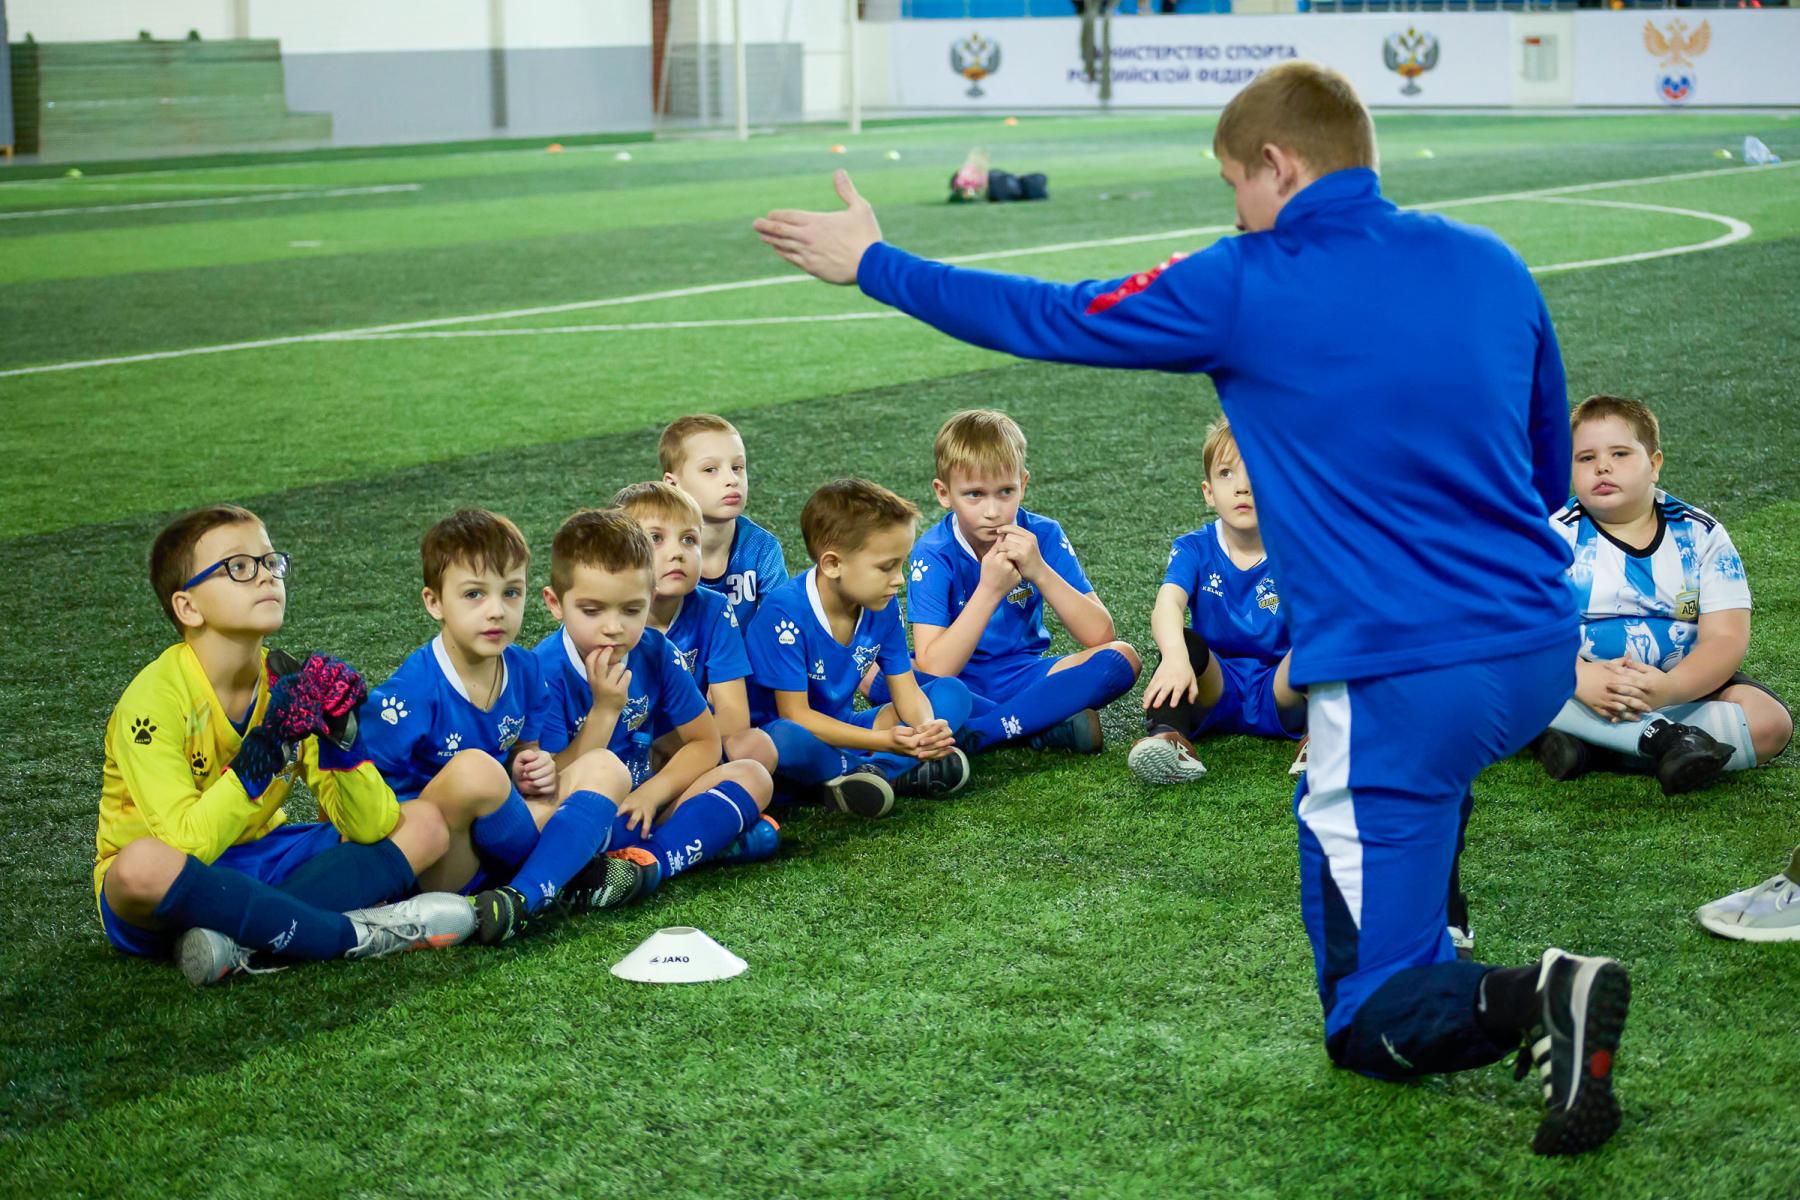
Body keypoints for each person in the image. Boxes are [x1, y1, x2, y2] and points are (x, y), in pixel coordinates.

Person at [754, 61, 1628, 1155]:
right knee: (1371, 793)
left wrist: (874, 264)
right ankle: (1433, 926)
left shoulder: (1250, 279)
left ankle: (1533, 994)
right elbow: (1549, 477)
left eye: (1234, 185)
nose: (1234, 211)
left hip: (1408, 675)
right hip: (1542, 644)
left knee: (1364, 1013)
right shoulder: (1493, 263)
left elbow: (1053, 316)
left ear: (1277, 163)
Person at [97, 504, 474, 987]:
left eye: (271, 561)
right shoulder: (151, 701)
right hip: (174, 886)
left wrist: (342, 738)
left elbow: (369, 825)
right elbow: (183, 844)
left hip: (260, 860)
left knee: (422, 824)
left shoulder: (287, 682)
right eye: (239, 567)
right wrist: (266, 750)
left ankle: (238, 941)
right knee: (138, 866)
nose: (265, 577)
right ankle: (351, 935)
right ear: (187, 607)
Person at [357, 509, 644, 946]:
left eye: (511, 592)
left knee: (607, 767)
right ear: (434, 602)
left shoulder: (525, 669)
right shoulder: (410, 693)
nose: (496, 611)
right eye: (474, 595)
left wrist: (535, 768)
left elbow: (528, 768)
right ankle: (564, 871)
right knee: (477, 771)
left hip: (498, 842)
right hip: (436, 860)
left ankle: (521, 899)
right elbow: (347, 792)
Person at [1536, 394, 1792, 794]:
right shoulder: (1555, 536)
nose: (1602, 466)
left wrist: (1669, 689)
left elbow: (1725, 637)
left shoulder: (1701, 535)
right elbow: (1529, 631)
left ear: (1654, 464)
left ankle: (1598, 748)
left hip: (1677, 684)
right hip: (1579, 683)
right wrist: (1578, 677)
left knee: (1769, 723)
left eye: (1620, 453)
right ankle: (1666, 743)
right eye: (1585, 458)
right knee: (1510, 680)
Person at [533, 508, 777, 895]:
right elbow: (549, 785)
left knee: (753, 775)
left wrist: (653, 792)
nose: (613, 628)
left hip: (645, 805)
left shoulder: (656, 650)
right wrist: (605, 710)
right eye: (592, 611)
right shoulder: (543, 672)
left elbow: (705, 742)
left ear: (649, 598)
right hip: (582, 817)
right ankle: (689, 845)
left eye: (631, 610)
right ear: (555, 603)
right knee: (540, 825)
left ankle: (646, 865)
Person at [873, 408, 1139, 756]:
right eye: (974, 495)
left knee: (1122, 657)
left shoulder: (1042, 534)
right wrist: (990, 589)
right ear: (943, 493)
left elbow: (1100, 635)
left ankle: (980, 733)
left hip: (1026, 674)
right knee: (873, 670)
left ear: (1023, 484)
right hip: (956, 682)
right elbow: (936, 666)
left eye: (1005, 492)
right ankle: (1041, 725)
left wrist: (1040, 570)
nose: (992, 511)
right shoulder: (934, 551)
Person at [748, 479, 973, 819]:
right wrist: (886, 743)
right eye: (886, 566)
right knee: (784, 737)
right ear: (833, 564)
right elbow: (795, 715)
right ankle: (890, 770)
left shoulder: (881, 605)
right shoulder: (785, 611)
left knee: (952, 693)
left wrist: (927, 730)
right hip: (796, 745)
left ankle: (866, 777)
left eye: (902, 563)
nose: (899, 579)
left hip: (845, 730)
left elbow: (906, 690)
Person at [1130, 417, 1303, 786]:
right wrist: (1176, 657)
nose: (1242, 487)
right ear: (1208, 492)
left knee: (1324, 639)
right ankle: (1168, 739)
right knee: (1185, 643)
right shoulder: (1194, 547)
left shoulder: (1298, 550)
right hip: (1215, 684)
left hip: (1282, 687)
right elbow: (1168, 604)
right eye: (1227, 474)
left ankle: (1326, 740)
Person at [611, 481, 778, 773]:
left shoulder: (714, 609)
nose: (677, 552)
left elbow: (734, 717)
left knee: (755, 746)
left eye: (689, 540)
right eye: (655, 538)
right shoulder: (608, 620)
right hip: (623, 756)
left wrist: (674, 749)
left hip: (695, 746)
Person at [660, 414, 789, 628]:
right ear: (673, 485)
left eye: (737, 467)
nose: (731, 480)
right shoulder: (656, 551)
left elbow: (781, 624)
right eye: (710, 470)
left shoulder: (761, 547)